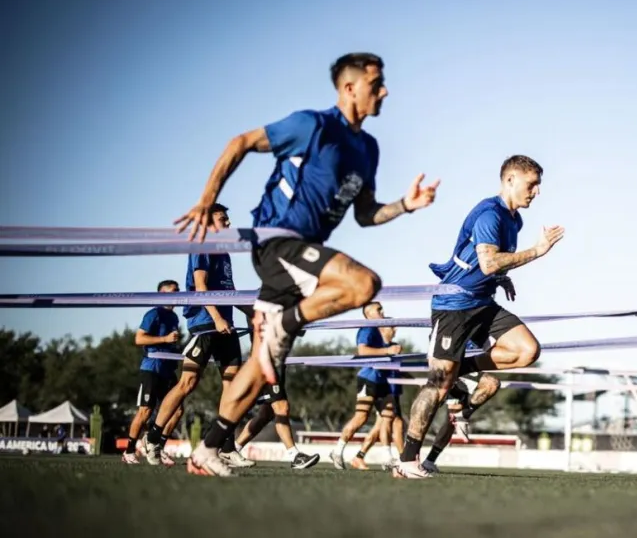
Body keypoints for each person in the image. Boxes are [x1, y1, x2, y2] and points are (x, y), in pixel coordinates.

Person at [175, 52, 439, 477]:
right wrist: (207, 200)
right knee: (364, 283)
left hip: (303, 258)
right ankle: (289, 321)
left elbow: (365, 214)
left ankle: (207, 448)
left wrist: (407, 205)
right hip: (275, 241)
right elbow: (240, 142)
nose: (385, 90)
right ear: (350, 88)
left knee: (264, 368)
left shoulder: (368, 148)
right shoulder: (312, 125)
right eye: (377, 83)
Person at [394, 155, 564, 479]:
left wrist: (502, 278)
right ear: (510, 180)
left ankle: (462, 369)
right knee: (439, 385)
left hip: (483, 303)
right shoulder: (490, 214)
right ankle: (407, 460)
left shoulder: (515, 221)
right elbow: (488, 263)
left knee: (527, 351)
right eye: (532, 184)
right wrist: (536, 252)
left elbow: (491, 266)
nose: (538, 191)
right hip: (454, 305)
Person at [144, 204, 255, 468]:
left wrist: (254, 313)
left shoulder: (224, 253)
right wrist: (216, 318)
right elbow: (202, 286)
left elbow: (230, 290)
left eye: (228, 219)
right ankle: (153, 438)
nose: (228, 224)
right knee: (187, 383)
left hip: (224, 326)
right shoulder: (202, 246)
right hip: (205, 324)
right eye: (222, 219)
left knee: (233, 386)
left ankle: (226, 447)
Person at [331, 301, 402, 470]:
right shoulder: (367, 328)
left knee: (388, 416)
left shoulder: (378, 330)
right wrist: (388, 351)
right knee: (361, 418)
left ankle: (388, 457)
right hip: (368, 378)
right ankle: (337, 449)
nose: (382, 311)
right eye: (378, 309)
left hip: (382, 380)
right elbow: (362, 351)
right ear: (368, 313)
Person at [122, 280, 184, 465]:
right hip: (151, 368)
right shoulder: (153, 313)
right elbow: (139, 338)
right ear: (162, 294)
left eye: (178, 291)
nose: (177, 294)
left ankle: (158, 446)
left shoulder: (174, 318)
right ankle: (129, 450)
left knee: (177, 411)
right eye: (174, 291)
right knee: (145, 412)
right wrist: (165, 338)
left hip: (168, 370)